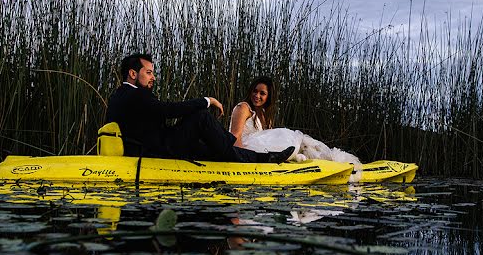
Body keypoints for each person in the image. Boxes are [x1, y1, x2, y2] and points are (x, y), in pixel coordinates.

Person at [105, 54, 294, 163]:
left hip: (155, 144)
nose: (153, 77)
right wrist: (207, 100)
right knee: (201, 117)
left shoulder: (119, 95)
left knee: (208, 149)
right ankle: (237, 148)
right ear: (132, 73)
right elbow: (168, 110)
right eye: (148, 73)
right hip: (156, 150)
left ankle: (264, 158)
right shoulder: (136, 94)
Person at [229, 77, 362, 175]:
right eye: (255, 91)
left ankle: (333, 162)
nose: (257, 96)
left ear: (268, 97)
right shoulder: (243, 108)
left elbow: (267, 137)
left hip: (259, 147)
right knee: (291, 137)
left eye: (262, 93)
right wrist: (242, 159)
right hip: (245, 147)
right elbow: (235, 136)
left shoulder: (263, 114)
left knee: (303, 144)